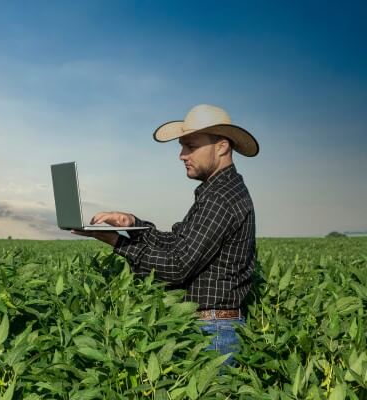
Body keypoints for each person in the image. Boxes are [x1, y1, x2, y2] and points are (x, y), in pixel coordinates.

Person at [72, 104, 259, 365]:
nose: (182, 155)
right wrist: (131, 223)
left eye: (190, 146)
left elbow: (176, 267)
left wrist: (116, 242)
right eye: (182, 147)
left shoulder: (220, 197)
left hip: (214, 334)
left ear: (222, 147)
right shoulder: (220, 191)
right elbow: (177, 243)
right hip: (213, 329)